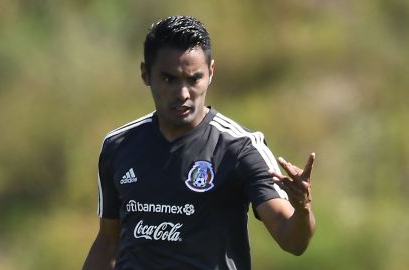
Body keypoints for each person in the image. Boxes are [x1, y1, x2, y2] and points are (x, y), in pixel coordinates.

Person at [82, 15, 316, 270]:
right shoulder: (118, 145)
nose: (183, 94)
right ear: (145, 74)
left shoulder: (240, 148)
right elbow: (107, 243)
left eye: (194, 79)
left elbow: (292, 241)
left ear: (211, 73)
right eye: (169, 79)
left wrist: (302, 209)